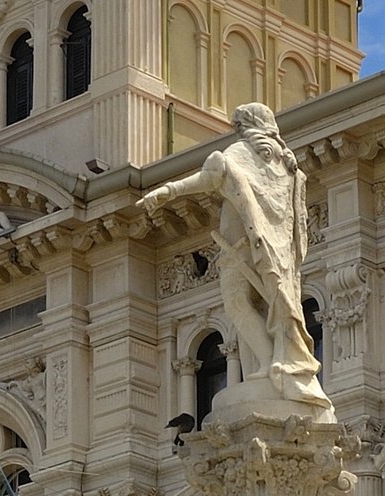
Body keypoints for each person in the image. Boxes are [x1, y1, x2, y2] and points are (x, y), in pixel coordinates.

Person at [138, 103, 330, 414]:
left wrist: (169, 191)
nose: (237, 131)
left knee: (237, 303)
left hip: (240, 249)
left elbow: (212, 176)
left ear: (245, 127)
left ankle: (269, 364)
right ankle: (275, 365)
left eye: (238, 125)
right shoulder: (286, 167)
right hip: (274, 256)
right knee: (266, 306)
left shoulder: (241, 153)